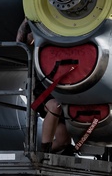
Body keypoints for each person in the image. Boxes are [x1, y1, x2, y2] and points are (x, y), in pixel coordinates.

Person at [17, 18, 73, 154]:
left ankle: (44, 153)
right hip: (46, 85)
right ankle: (44, 150)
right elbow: (21, 41)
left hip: (68, 84)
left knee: (63, 141)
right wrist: (27, 20)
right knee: (55, 105)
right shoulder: (44, 28)